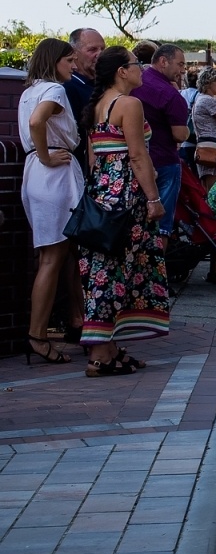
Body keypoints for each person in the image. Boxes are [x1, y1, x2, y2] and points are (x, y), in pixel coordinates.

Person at [78, 46, 169, 376]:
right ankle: (100, 355)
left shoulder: (99, 104)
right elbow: (137, 155)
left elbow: (93, 159)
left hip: (101, 194)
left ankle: (109, 348)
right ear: (121, 71)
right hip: (127, 198)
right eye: (136, 64)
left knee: (101, 269)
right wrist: (154, 198)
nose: (141, 69)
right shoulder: (129, 104)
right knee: (117, 271)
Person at [20, 38, 85, 365]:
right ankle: (38, 337)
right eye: (69, 60)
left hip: (36, 175)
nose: (74, 66)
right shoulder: (54, 91)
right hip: (52, 175)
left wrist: (40, 156)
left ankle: (44, 333)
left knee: (52, 256)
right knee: (52, 259)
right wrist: (46, 156)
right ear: (54, 61)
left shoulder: (28, 91)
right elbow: (37, 123)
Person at [129, 43, 190, 241]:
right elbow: (180, 135)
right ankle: (158, 268)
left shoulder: (138, 81)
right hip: (164, 160)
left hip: (134, 159)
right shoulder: (170, 95)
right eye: (180, 64)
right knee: (161, 226)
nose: (183, 70)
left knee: (137, 221)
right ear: (163, 61)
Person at [191, 67, 216, 189]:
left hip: (204, 145)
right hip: (213, 147)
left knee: (206, 186)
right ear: (208, 83)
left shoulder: (200, 98)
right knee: (214, 188)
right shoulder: (209, 100)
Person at [63, 27, 105, 119]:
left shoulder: (105, 82)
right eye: (93, 49)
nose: (100, 54)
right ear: (74, 53)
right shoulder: (68, 87)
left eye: (103, 49)